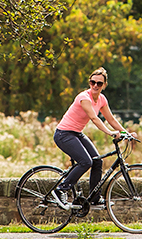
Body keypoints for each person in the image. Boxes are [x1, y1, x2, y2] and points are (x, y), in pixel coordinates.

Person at [52, 66, 129, 208]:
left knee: (97, 161)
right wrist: (111, 133)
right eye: (93, 82)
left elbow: (110, 119)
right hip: (64, 134)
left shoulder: (101, 99)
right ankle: (61, 189)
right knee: (86, 162)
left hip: (76, 133)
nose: (95, 85)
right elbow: (94, 119)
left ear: (104, 85)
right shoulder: (84, 98)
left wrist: (125, 133)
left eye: (99, 83)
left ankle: (94, 198)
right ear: (89, 82)